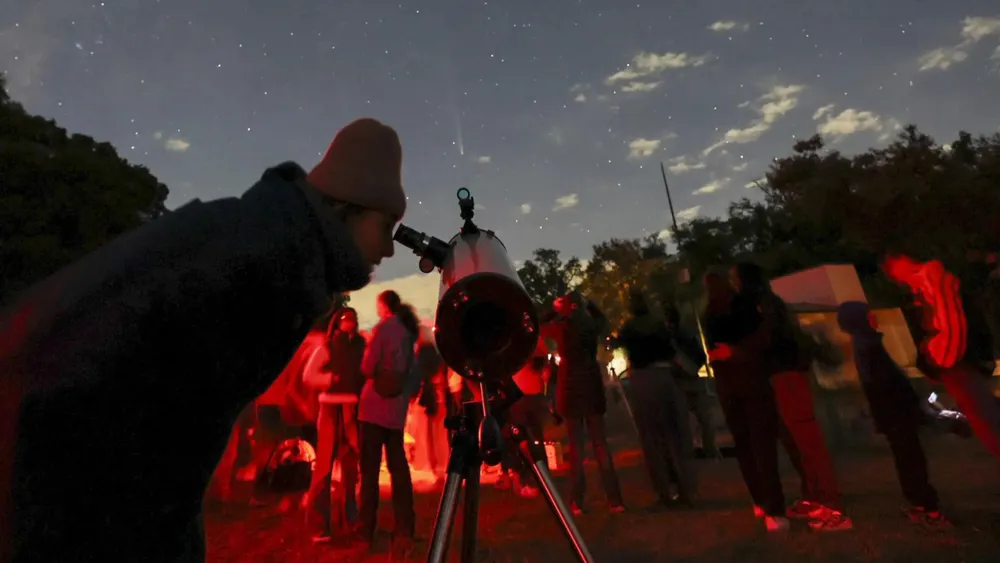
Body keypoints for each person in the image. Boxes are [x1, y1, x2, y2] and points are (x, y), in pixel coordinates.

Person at [0, 117, 405, 562]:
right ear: (349, 207)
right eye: (386, 227)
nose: (389, 250)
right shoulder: (272, 266)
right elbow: (160, 449)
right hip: (44, 467)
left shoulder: (272, 240)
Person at [730, 263, 852, 532]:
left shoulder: (765, 305)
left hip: (787, 374)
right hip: (781, 375)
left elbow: (769, 338)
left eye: (735, 279)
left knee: (808, 440)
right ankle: (816, 496)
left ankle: (834, 506)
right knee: (797, 440)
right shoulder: (770, 303)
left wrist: (739, 351)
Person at [837, 301, 949, 528]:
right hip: (897, 414)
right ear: (859, 319)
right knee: (912, 460)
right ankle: (930, 510)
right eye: (869, 315)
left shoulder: (866, 344)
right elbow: (883, 383)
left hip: (893, 415)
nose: (874, 318)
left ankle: (919, 504)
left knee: (906, 459)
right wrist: (908, 406)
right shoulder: (868, 346)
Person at [882, 253, 1000, 463]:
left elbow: (950, 324)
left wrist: (939, 357)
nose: (894, 276)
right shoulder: (923, 286)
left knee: (985, 419)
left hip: (956, 363)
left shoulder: (932, 280)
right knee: (983, 415)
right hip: (955, 362)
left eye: (893, 268)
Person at [702, 271, 788, 532]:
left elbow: (714, 350)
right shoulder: (746, 306)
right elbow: (761, 341)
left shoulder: (709, 314)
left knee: (744, 444)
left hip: (728, 384)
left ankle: (759, 500)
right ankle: (774, 507)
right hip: (751, 380)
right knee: (762, 445)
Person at [542, 292, 625, 515]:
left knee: (577, 449)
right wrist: (592, 305)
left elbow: (539, 324)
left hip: (570, 389)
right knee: (600, 445)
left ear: (567, 308)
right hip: (591, 386)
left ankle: (577, 501)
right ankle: (615, 500)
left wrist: (554, 308)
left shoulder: (561, 328)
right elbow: (603, 322)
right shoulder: (590, 326)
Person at [355, 291, 422, 557]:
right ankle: (405, 529)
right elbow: (413, 373)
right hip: (396, 411)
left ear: (383, 306)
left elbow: (368, 366)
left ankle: (365, 531)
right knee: (399, 471)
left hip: (372, 409)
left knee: (369, 473)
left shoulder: (383, 329)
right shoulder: (409, 331)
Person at [619, 292, 696, 507]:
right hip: (664, 376)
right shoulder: (659, 326)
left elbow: (620, 345)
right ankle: (685, 489)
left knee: (652, 439)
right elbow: (672, 351)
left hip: (642, 379)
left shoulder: (629, 329)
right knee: (674, 435)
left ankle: (663, 491)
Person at [304, 307, 367, 543]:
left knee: (351, 469)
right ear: (338, 323)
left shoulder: (360, 345)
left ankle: (349, 521)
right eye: (346, 319)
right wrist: (331, 380)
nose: (350, 322)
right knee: (324, 469)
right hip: (331, 409)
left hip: (353, 408)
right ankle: (318, 527)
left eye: (353, 318)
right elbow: (309, 375)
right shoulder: (327, 347)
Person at [497, 336, 552, 498]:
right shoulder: (537, 340)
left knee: (524, 440)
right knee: (535, 438)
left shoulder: (517, 342)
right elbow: (544, 367)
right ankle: (542, 478)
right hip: (535, 394)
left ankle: (531, 481)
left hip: (522, 396)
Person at [664, 307, 720, 459]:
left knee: (682, 420)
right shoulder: (689, 334)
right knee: (704, 418)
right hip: (694, 379)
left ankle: (687, 451)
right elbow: (701, 356)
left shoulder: (668, 338)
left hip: (679, 383)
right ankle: (710, 449)